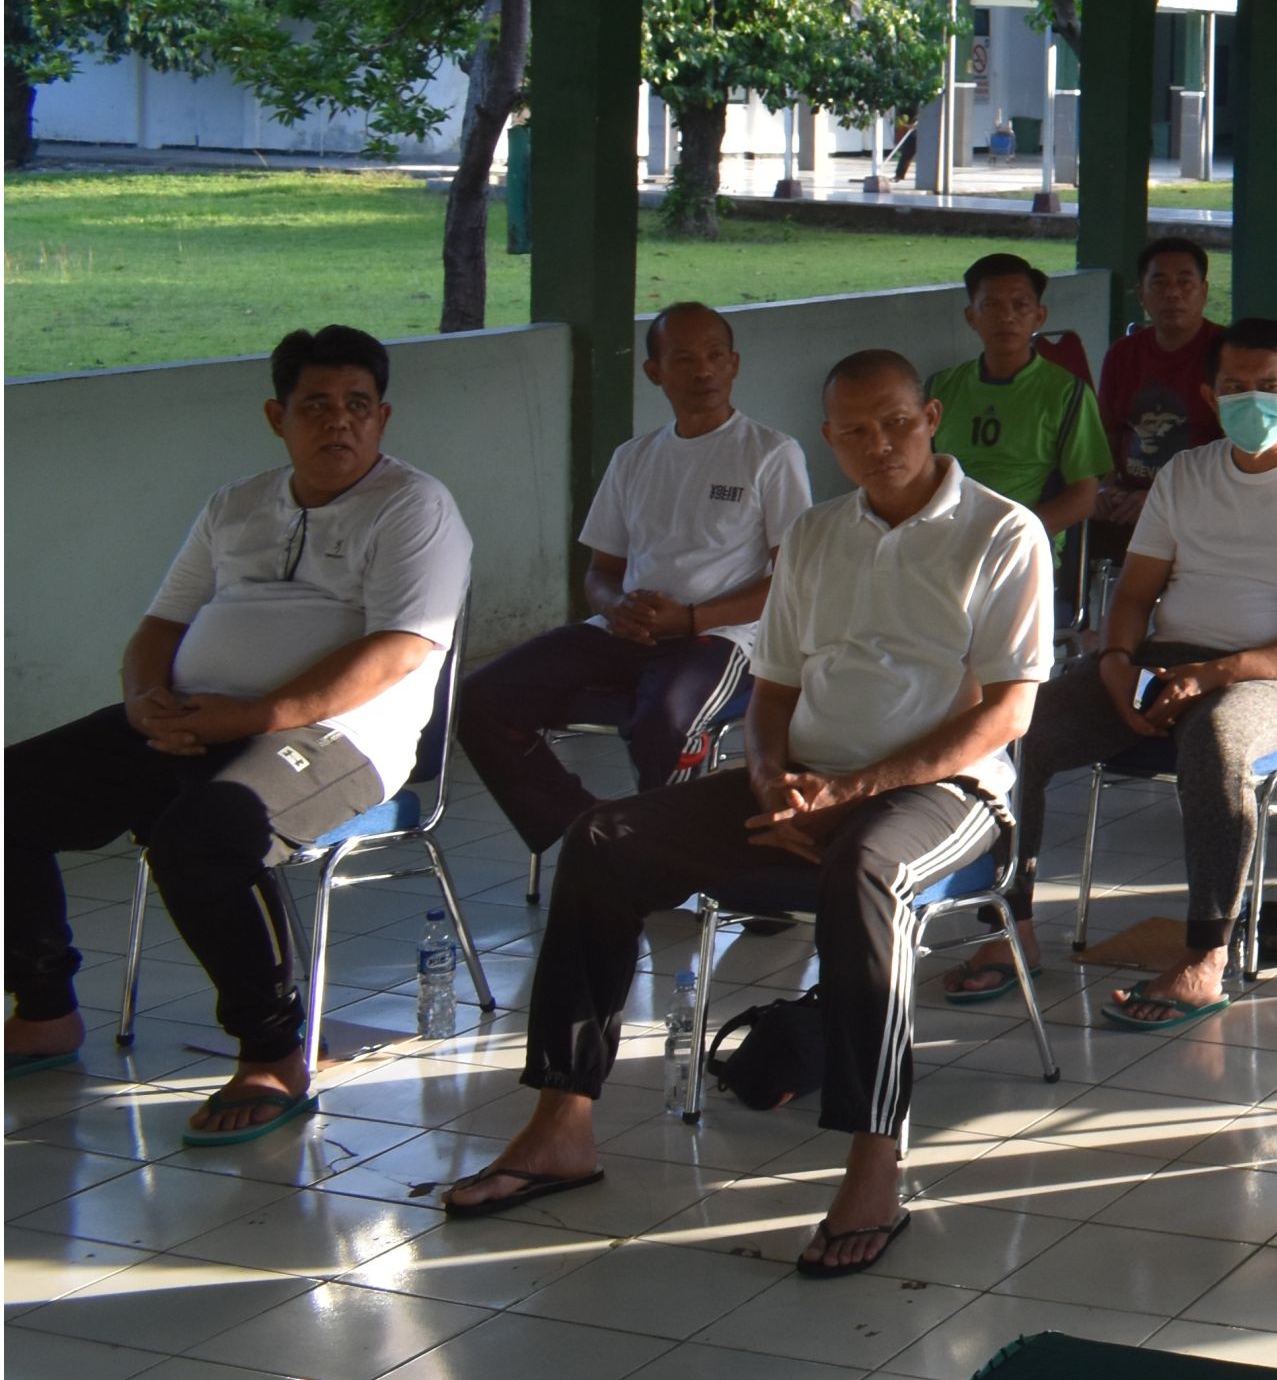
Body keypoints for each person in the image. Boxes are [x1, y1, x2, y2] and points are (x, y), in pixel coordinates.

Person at [442, 349, 1051, 1276]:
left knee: (867, 868)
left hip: (949, 792)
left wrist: (853, 792)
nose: (879, 444)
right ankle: (562, 1123)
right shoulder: (815, 534)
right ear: (829, 438)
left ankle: (874, 1164)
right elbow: (772, 690)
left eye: (896, 421)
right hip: (809, 775)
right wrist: (769, 780)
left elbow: (1006, 714)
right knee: (604, 840)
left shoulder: (1003, 531)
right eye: (855, 430)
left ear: (930, 417)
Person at [6, 329, 471, 1146]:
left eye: (358, 405)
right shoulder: (236, 503)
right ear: (276, 416)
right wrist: (144, 701)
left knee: (206, 833)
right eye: (316, 405)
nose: (339, 421)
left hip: (341, 738)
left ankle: (273, 1051)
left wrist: (253, 716)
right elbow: (160, 625)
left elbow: (398, 649)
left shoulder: (414, 506)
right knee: (14, 790)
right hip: (199, 717)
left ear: (384, 416)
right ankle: (45, 1007)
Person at [958, 319, 1277, 1028]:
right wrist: (1117, 663)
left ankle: (1205, 957)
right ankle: (1010, 923)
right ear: (1210, 396)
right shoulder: (1185, 473)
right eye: (1235, 386)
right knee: (1018, 726)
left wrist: (1214, 674)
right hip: (1164, 661)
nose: (1251, 399)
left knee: (1216, 739)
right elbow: (1134, 596)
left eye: (1268, 386)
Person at [458, 302, 808, 855]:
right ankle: (593, 829)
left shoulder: (770, 453)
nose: (703, 371)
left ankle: (662, 857)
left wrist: (690, 618)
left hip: (720, 638)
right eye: (684, 359)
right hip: (625, 633)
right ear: (654, 372)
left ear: (735, 364)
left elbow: (792, 582)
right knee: (481, 699)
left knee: (663, 720)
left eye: (716, 356)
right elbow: (601, 573)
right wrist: (615, 608)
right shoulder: (634, 457)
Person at [931, 252, 1117, 538]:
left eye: (1020, 305)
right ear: (971, 317)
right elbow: (918, 474)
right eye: (991, 305)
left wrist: (1005, 537)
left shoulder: (1067, 393)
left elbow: (1083, 498)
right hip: (944, 538)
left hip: (1021, 546)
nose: (1006, 317)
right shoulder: (940, 388)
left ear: (1039, 317)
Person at [1092, 235, 1226, 536]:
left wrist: (1164, 499)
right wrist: (1105, 485)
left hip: (1201, 503)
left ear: (1203, 292)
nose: (1172, 293)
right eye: (1159, 283)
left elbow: (1236, 453)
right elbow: (1107, 434)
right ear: (1141, 293)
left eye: (1185, 283)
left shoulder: (1227, 353)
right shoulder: (1122, 354)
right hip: (1128, 501)